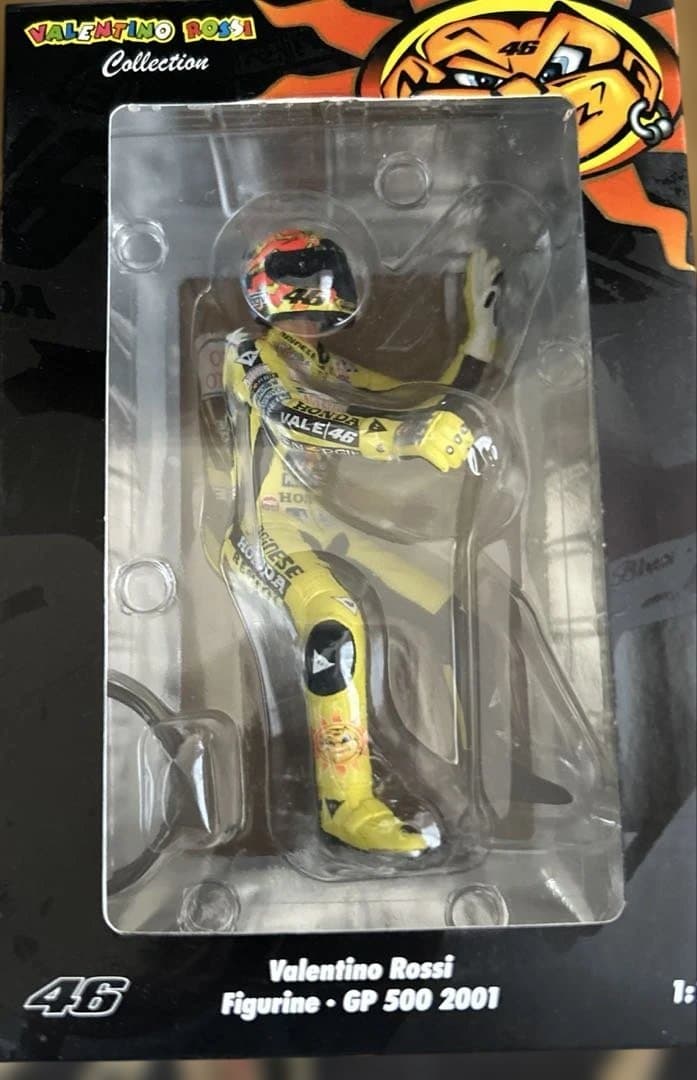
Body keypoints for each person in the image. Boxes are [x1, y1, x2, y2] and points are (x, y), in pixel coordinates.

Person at [214, 229, 502, 855]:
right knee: (335, 624)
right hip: (262, 531)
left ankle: (477, 772)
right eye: (298, 289)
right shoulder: (247, 351)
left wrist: (478, 341)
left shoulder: (325, 366)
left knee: (447, 610)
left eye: (319, 294)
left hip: (324, 528)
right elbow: (290, 416)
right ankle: (344, 805)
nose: (310, 312)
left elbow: (418, 402)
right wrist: (400, 440)